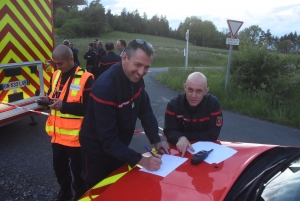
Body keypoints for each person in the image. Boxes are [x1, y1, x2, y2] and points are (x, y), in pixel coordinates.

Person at [79, 39, 170, 189]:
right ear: (124, 58)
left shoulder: (137, 79)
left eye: (146, 67)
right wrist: (141, 160)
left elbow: (145, 110)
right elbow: (107, 140)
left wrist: (156, 139)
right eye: (138, 65)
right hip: (97, 152)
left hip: (119, 147)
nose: (141, 72)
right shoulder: (105, 87)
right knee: (96, 190)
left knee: (118, 187)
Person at [40, 45, 94, 201]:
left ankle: (80, 195)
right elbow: (54, 96)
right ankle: (65, 192)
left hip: (76, 139)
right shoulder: (56, 75)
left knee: (79, 173)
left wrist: (64, 106)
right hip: (57, 136)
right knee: (59, 169)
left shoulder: (86, 78)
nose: (57, 67)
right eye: (55, 63)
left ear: (71, 59)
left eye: (60, 63)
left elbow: (90, 109)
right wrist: (46, 102)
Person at [163, 72, 223, 157]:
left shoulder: (213, 104)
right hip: (179, 150)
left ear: (206, 91)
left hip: (205, 150)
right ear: (185, 87)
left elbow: (213, 134)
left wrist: (182, 136)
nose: (193, 96)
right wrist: (180, 137)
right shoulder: (173, 105)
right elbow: (168, 131)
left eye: (198, 91)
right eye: (190, 90)